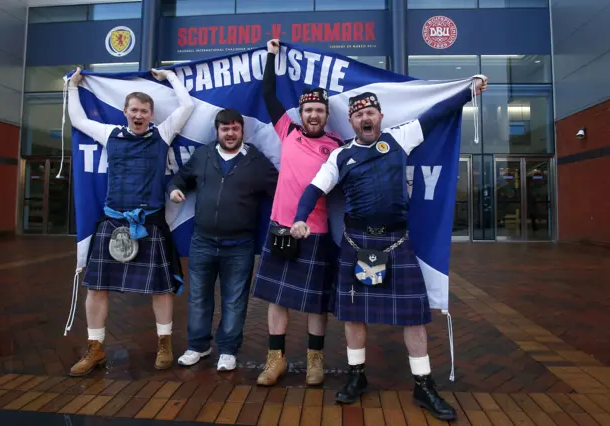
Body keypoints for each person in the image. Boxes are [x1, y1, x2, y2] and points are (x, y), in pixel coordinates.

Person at [290, 78, 488, 420]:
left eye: (370, 112)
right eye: (359, 115)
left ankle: (424, 385)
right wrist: (299, 217)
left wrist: (467, 91)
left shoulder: (400, 137)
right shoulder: (341, 155)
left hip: (397, 242)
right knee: (353, 315)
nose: (365, 118)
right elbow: (313, 189)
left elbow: (438, 112)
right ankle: (357, 376)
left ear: (380, 116)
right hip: (357, 242)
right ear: (351, 122)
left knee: (413, 316)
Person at [67, 66, 195, 376]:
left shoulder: (162, 133)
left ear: (151, 114)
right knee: (96, 288)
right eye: (134, 110)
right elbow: (78, 120)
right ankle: (96, 348)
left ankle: (164, 343)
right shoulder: (109, 133)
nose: (139, 115)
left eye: (145, 111)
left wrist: (171, 79)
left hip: (149, 223)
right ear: (125, 111)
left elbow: (187, 106)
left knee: (161, 289)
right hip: (112, 222)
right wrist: (72, 87)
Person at [250, 39, 344, 387]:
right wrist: (272, 56)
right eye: (308, 110)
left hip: (317, 233)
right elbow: (269, 94)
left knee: (316, 303)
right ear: (300, 114)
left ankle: (314, 361)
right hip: (281, 228)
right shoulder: (287, 132)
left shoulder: (337, 147)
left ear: (325, 114)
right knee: (277, 298)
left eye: (319, 110)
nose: (314, 114)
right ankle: (276, 359)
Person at [168, 108, 278, 371]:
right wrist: (174, 190)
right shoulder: (203, 154)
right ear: (217, 131)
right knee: (198, 298)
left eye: (235, 128)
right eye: (225, 128)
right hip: (202, 241)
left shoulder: (256, 160)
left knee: (234, 299)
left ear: (242, 131)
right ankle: (198, 346)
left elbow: (279, 192)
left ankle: (228, 350)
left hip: (240, 245)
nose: (230, 133)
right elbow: (179, 179)